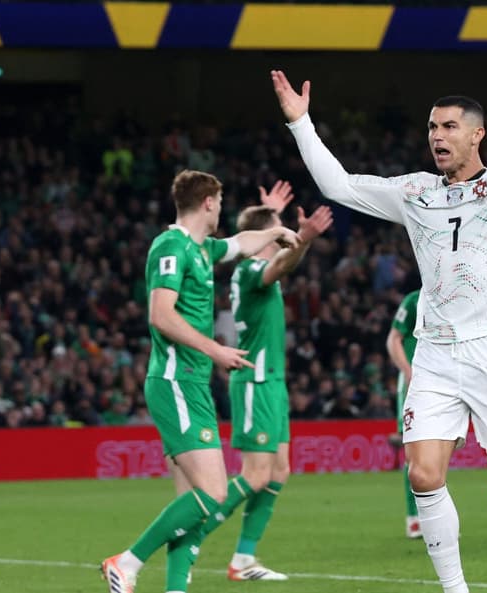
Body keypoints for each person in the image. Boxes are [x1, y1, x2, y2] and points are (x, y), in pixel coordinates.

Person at [272, 37, 487, 593]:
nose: (436, 137)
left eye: (449, 127)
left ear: (477, 133)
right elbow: (339, 185)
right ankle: (455, 590)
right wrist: (302, 124)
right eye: (432, 128)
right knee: (423, 474)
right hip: (435, 353)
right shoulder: (415, 192)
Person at [100, 170, 300, 593]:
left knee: (190, 503)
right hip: (176, 381)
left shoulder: (202, 248)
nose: (223, 209)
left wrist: (276, 228)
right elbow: (161, 314)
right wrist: (216, 350)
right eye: (221, 201)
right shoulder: (171, 245)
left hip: (192, 384)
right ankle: (127, 561)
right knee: (211, 493)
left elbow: (240, 243)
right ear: (209, 201)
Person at [197, 181, 333, 580]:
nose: (285, 231)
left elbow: (277, 254)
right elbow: (280, 265)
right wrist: (303, 239)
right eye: (278, 227)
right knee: (255, 475)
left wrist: (267, 212)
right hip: (254, 383)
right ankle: (188, 536)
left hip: (272, 383)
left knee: (278, 473)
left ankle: (243, 560)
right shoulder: (251, 270)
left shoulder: (258, 267)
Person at [386, 289, 422, 539]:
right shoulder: (413, 301)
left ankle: (430, 517)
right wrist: (408, 372)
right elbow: (393, 338)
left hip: (444, 385)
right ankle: (414, 519)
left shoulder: (452, 294)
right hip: (414, 385)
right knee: (414, 453)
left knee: (437, 453)